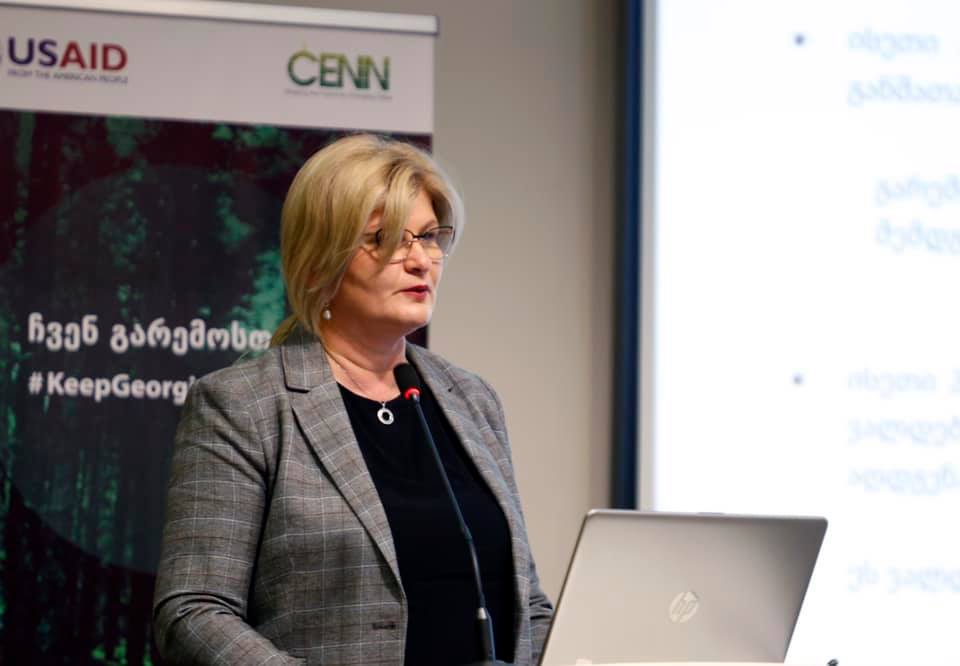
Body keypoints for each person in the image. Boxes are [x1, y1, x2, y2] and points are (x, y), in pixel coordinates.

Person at [152, 134, 553, 665]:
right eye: (387, 239)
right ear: (320, 261)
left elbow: (527, 606)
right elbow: (193, 613)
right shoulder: (244, 405)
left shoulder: (473, 400)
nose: (420, 260)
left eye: (429, 236)